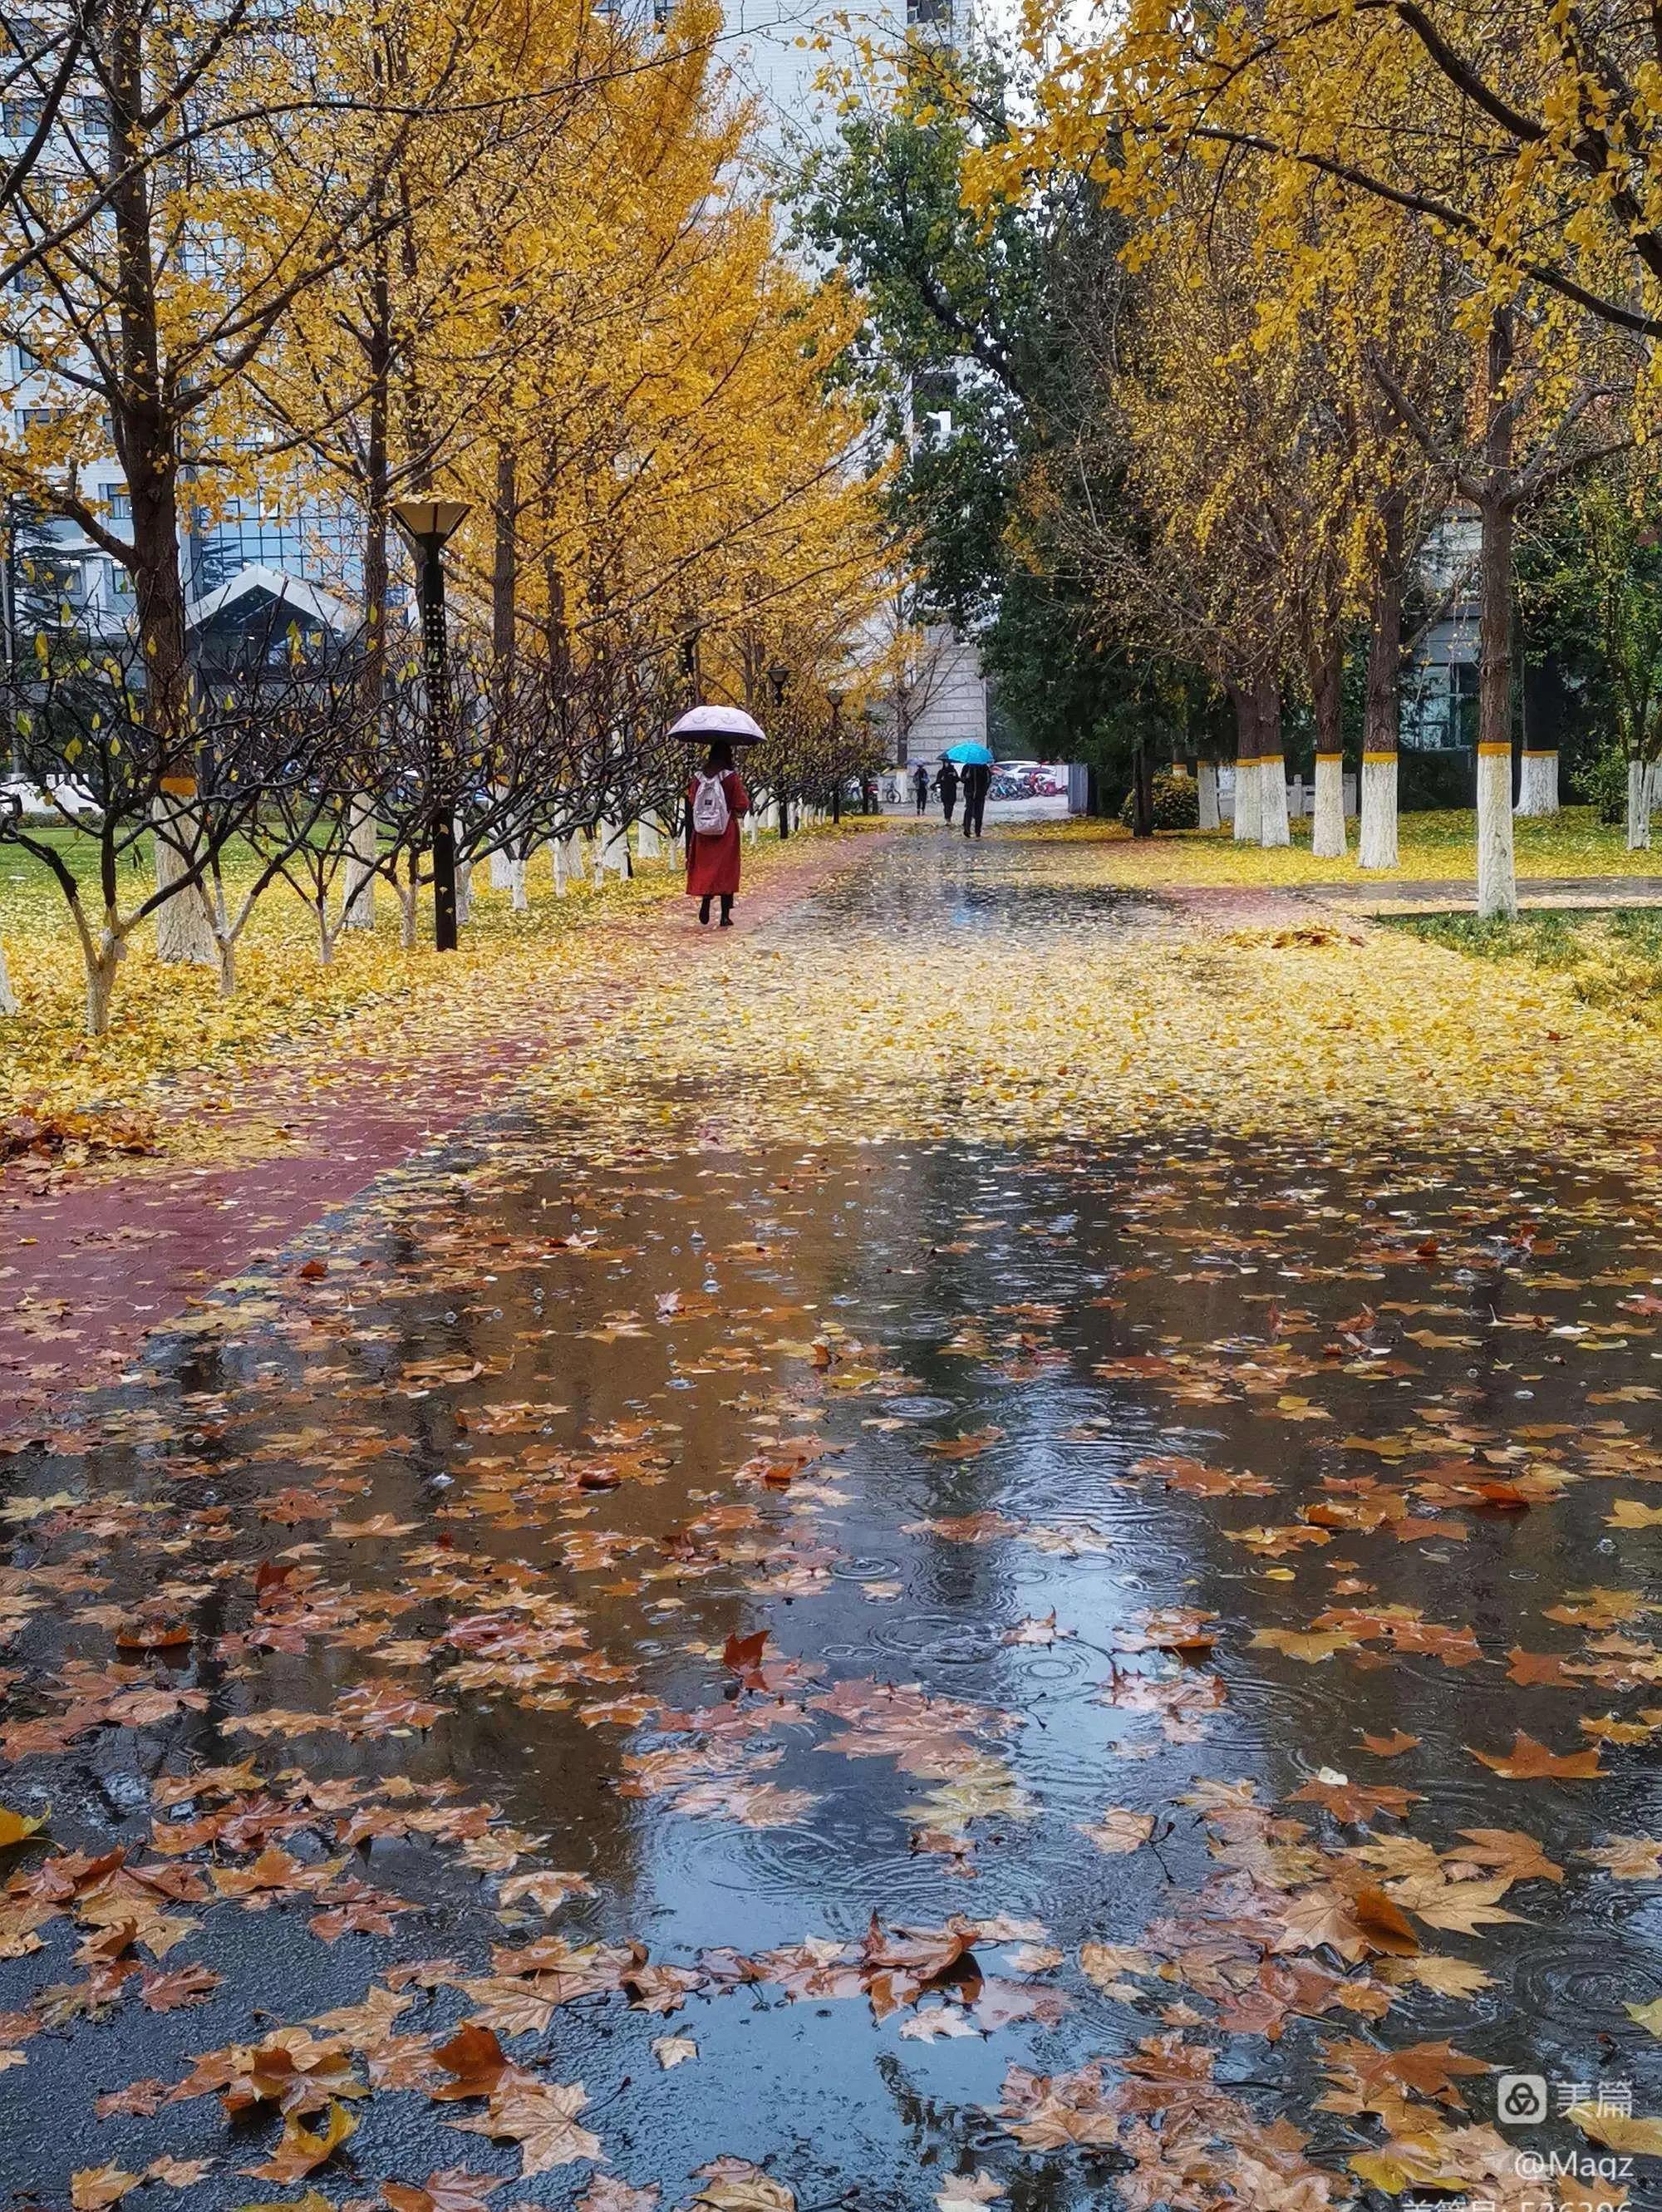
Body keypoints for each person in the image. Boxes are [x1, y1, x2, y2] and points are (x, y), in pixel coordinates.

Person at [686, 740, 751, 926]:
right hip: (726, 831)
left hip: (703, 833)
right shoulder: (730, 777)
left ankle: (706, 903)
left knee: (706, 868)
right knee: (726, 871)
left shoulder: (699, 777)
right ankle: (724, 915)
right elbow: (741, 804)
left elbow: (692, 798)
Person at [961, 758, 991, 839]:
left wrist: (984, 790)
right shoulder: (967, 767)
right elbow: (962, 779)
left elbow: (988, 780)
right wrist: (966, 777)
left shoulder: (984, 767)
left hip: (980, 794)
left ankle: (978, 832)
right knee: (969, 811)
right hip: (969, 793)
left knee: (979, 813)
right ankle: (967, 830)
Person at [936, 759, 960, 823]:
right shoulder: (941, 772)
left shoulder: (953, 771)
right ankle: (947, 818)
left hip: (952, 790)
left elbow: (957, 780)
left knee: (951, 805)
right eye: (945, 763)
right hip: (944, 790)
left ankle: (949, 817)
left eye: (947, 763)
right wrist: (941, 779)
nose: (946, 764)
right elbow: (938, 781)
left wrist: (955, 776)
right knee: (946, 805)